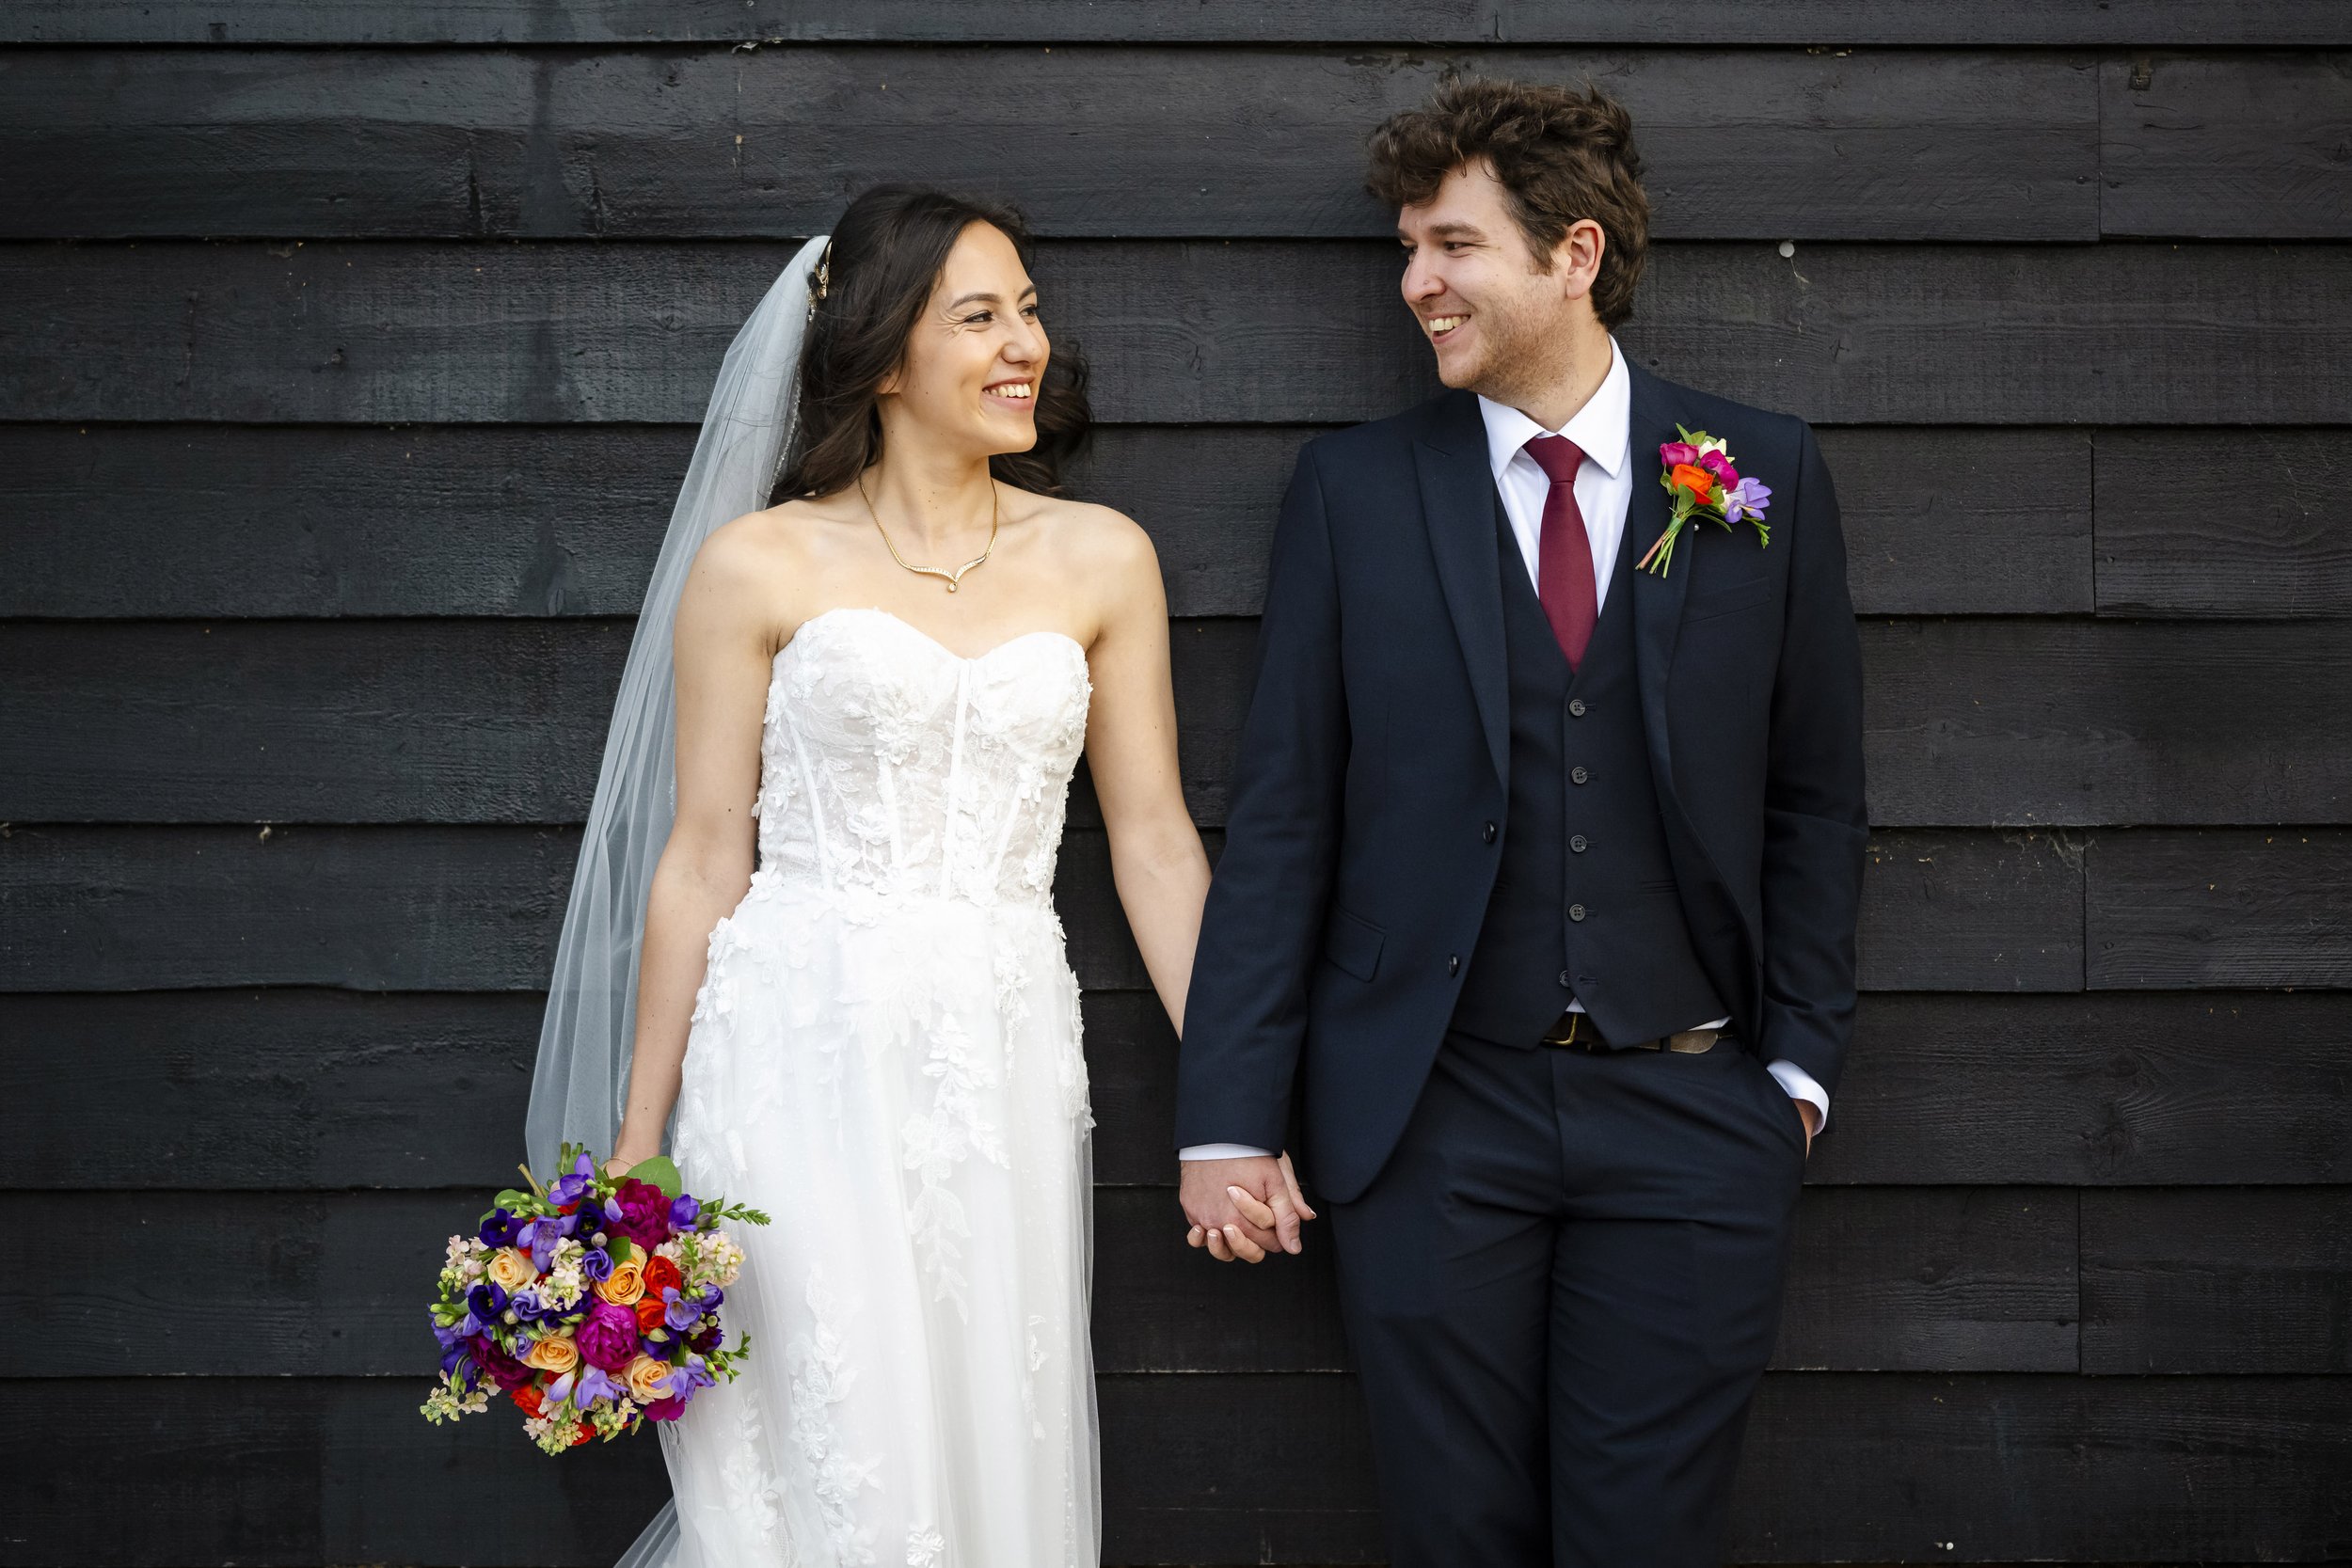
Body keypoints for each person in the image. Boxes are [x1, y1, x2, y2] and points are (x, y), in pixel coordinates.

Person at [527, 184, 1305, 1568]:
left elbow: (1153, 843)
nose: (1028, 347)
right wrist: (637, 1148)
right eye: (982, 318)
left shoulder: (1099, 555)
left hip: (999, 1045)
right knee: (825, 1444)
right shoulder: (758, 563)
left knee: (988, 1431)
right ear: (887, 354)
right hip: (792, 1045)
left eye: (1031, 313)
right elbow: (706, 854)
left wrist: (1234, 1095)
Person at [1174, 79, 1867, 1566]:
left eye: (1451, 244)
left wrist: (1796, 1070)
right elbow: (1287, 814)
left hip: (1696, 1111)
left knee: (1646, 1539)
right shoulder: (1354, 492)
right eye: (1408, 247)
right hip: (1434, 1118)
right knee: (1452, 1532)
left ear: (1576, 254)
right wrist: (1231, 1117)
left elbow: (1816, 799)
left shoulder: (1762, 479)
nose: (1415, 280)